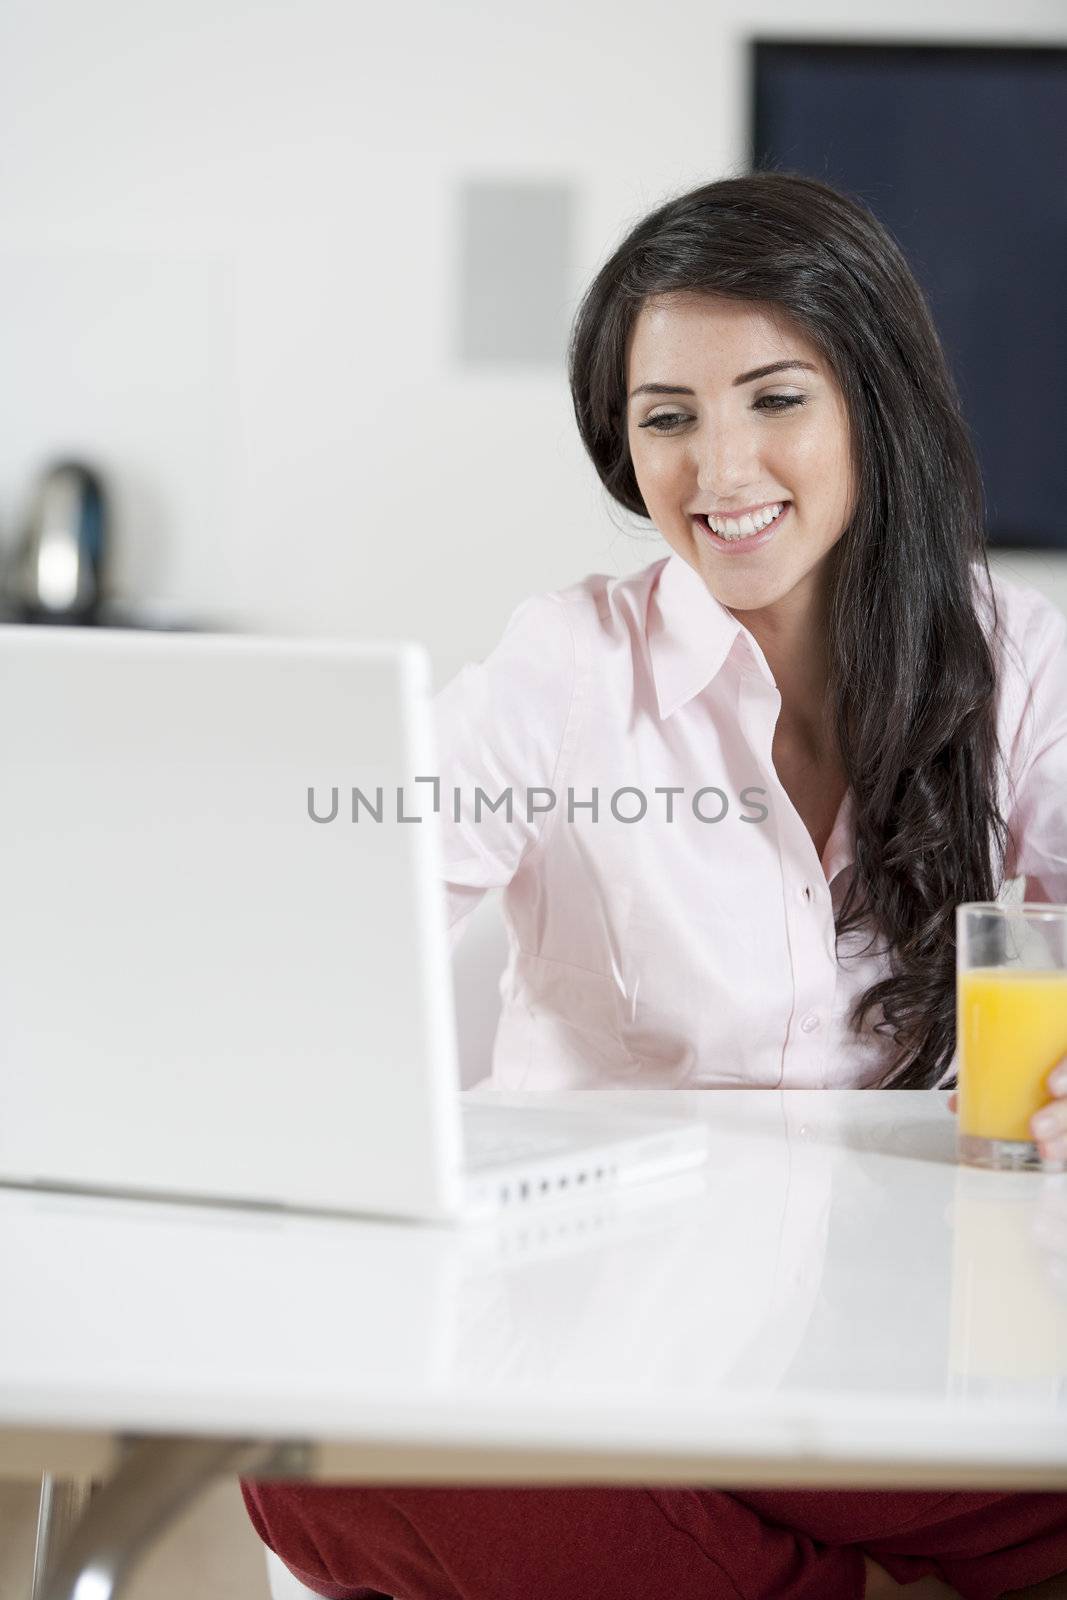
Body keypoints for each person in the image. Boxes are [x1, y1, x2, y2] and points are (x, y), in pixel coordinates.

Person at [242, 171, 1067, 1598]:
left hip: (911, 1329)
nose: (721, 469)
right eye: (668, 418)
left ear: (877, 399)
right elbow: (335, 926)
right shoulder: (567, 668)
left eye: (775, 398)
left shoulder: (1017, 659)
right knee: (302, 1448)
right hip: (603, 1318)